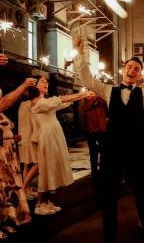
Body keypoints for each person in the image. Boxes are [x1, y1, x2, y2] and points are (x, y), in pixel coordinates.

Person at [73, 36, 144, 243]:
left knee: (140, 192)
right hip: (112, 153)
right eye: (130, 67)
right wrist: (80, 54)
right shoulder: (108, 90)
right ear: (123, 70)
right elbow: (87, 79)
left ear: (140, 74)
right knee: (109, 197)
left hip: (135, 152)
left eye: (137, 68)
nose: (132, 70)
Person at [28, 76, 91, 216]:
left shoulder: (45, 101)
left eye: (46, 81)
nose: (46, 83)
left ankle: (46, 201)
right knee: (46, 168)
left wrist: (81, 95)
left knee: (53, 167)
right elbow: (60, 100)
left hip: (53, 135)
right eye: (42, 81)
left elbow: (62, 103)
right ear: (34, 85)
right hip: (48, 136)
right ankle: (39, 204)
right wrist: (81, 94)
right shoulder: (37, 102)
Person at [0, 78, 36, 239]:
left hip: (5, 150)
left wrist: (11, 138)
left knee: (7, 187)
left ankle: (6, 219)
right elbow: (4, 104)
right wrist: (24, 85)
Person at [83, 92, 108, 194]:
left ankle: (102, 175)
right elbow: (87, 107)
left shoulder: (101, 103)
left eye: (93, 93)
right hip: (93, 133)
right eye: (90, 94)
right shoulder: (87, 105)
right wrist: (96, 97)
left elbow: (106, 105)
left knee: (104, 155)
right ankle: (95, 177)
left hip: (103, 133)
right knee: (94, 156)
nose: (91, 95)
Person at [18, 99, 39, 200]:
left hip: (23, 136)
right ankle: (25, 188)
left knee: (27, 164)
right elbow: (33, 120)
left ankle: (28, 189)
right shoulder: (31, 103)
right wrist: (36, 136)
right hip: (30, 136)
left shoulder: (22, 104)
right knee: (36, 163)